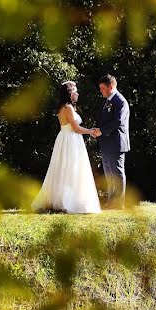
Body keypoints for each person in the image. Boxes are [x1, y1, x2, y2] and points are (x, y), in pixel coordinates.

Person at [31, 81, 102, 214]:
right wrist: (91, 131)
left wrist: (88, 131)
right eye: (75, 91)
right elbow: (75, 128)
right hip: (70, 140)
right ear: (70, 94)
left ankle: (61, 199)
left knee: (63, 168)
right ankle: (67, 201)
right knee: (71, 168)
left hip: (64, 138)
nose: (77, 93)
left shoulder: (62, 107)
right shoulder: (68, 108)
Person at [92, 74, 130, 209]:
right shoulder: (107, 101)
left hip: (116, 143)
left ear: (111, 87)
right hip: (106, 143)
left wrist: (101, 131)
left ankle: (119, 203)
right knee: (109, 174)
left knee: (117, 173)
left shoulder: (120, 102)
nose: (100, 90)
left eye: (102, 88)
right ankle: (111, 202)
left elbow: (118, 121)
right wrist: (96, 130)